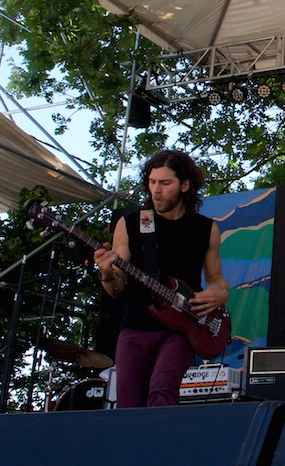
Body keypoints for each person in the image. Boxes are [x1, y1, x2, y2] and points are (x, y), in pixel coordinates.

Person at [93, 149, 229, 407]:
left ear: (185, 185)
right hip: (135, 327)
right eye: (152, 182)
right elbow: (116, 288)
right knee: (128, 404)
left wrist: (222, 292)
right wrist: (106, 273)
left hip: (181, 328)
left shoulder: (205, 228)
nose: (156, 190)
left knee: (162, 392)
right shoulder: (132, 222)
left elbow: (216, 279)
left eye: (165, 183)